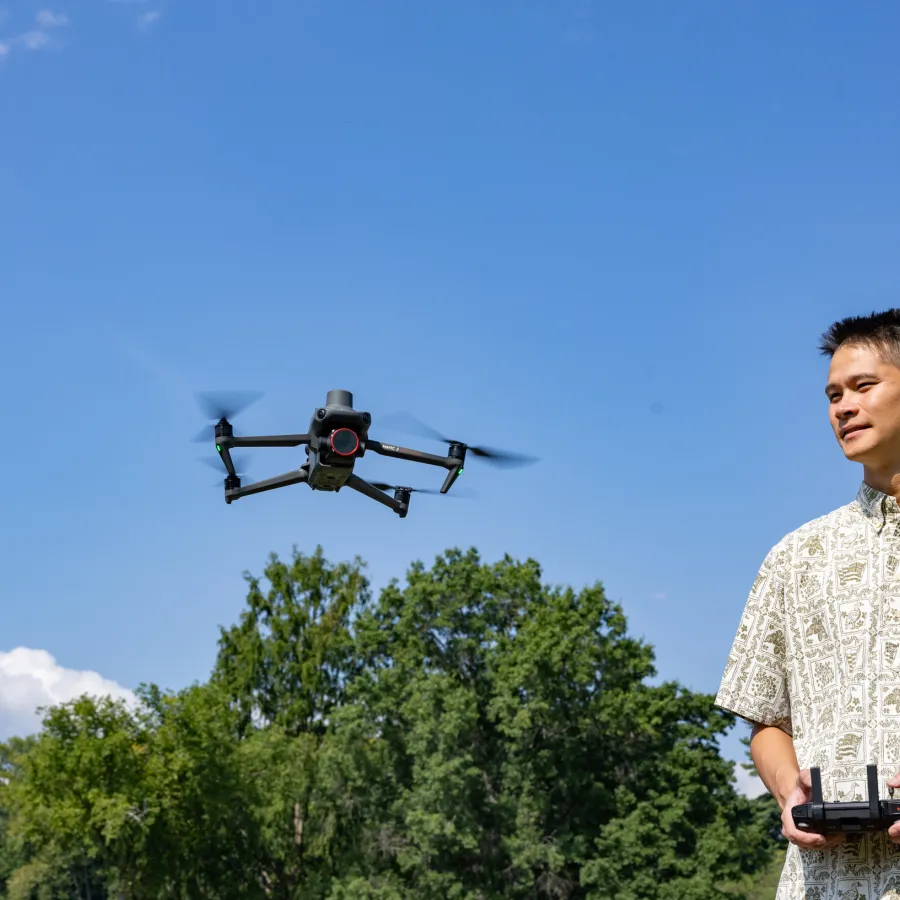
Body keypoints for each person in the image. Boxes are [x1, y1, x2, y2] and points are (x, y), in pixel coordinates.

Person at [715, 309, 900, 899]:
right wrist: (787, 790)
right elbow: (767, 721)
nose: (843, 407)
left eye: (863, 386)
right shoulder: (794, 557)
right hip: (825, 884)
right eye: (832, 395)